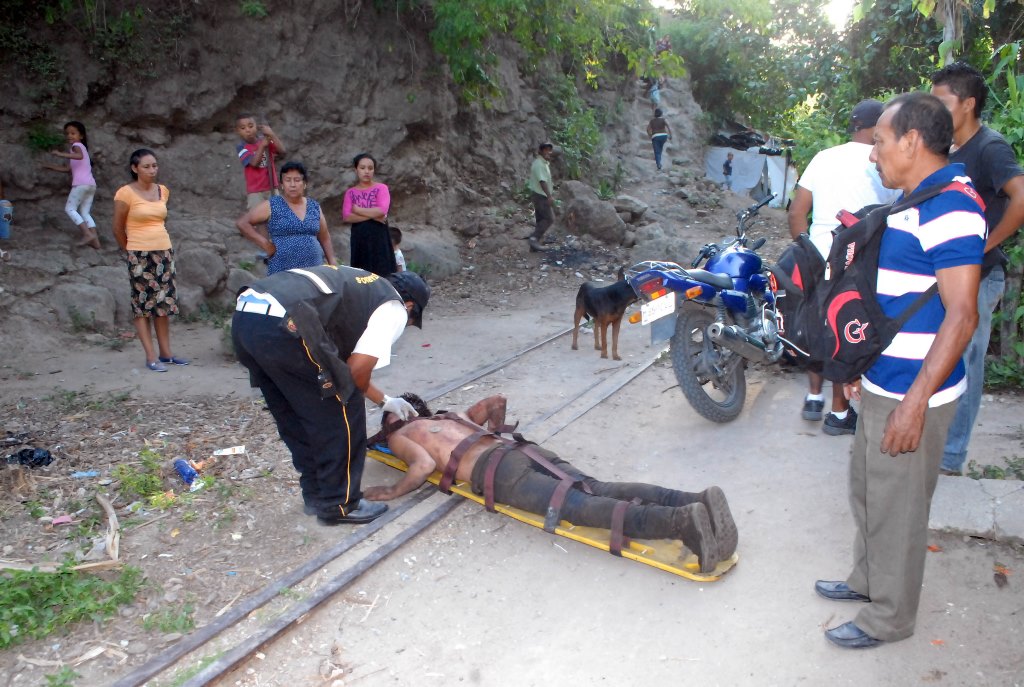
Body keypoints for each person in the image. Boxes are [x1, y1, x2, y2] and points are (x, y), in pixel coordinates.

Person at [816, 93, 985, 649]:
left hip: (918, 393)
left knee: (901, 507)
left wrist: (914, 402)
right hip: (884, 381)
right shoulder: (915, 201)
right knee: (869, 493)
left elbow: (962, 316)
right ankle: (868, 582)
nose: (873, 155)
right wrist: (858, 367)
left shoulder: (954, 207)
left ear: (912, 142)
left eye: (882, 142)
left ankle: (890, 617)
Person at [365, 394, 737, 574]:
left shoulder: (402, 433)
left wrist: (394, 491)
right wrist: (488, 433)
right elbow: (496, 401)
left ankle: (682, 524)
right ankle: (696, 500)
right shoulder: (452, 416)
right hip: (522, 450)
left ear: (389, 426)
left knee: (578, 508)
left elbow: (424, 464)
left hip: (499, 474)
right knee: (596, 487)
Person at [232, 265, 430, 525]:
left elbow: (349, 366)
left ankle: (316, 496)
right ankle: (340, 504)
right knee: (345, 410)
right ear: (409, 306)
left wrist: (385, 401)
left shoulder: (360, 285)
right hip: (288, 320)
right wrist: (374, 399)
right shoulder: (392, 308)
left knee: (295, 411)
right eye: (413, 320)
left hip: (247, 314)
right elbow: (356, 374)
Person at [930, 62, 1024, 476]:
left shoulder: (990, 147)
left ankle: (951, 458)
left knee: (966, 361)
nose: (934, 110)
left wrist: (986, 243)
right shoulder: (949, 148)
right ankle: (937, 445)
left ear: (968, 104)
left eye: (942, 103)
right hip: (951, 274)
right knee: (943, 356)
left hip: (981, 277)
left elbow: (1020, 197)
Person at [787, 99, 900, 435]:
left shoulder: (824, 158)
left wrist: (807, 251)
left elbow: (796, 214)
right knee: (848, 326)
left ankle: (812, 396)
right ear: (876, 126)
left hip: (819, 253)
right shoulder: (885, 160)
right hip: (859, 258)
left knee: (818, 322)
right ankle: (839, 411)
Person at [112, 149, 189, 373]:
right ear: (135, 168)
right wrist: (130, 250)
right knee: (143, 306)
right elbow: (117, 227)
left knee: (163, 305)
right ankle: (150, 356)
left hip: (164, 251)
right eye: (146, 166)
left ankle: (166, 354)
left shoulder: (162, 191)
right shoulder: (125, 194)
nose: (152, 170)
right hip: (139, 253)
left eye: (154, 165)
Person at [236, 161, 335, 275]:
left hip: (314, 270)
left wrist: (332, 262)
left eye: (297, 180)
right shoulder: (272, 205)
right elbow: (242, 223)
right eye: (288, 180)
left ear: (304, 184)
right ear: (282, 184)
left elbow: (325, 237)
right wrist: (266, 244)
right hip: (282, 271)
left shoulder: (314, 206)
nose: (292, 185)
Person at [41, 121, 100, 249]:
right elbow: (68, 169)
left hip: (81, 185)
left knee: (70, 209)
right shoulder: (81, 150)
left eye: (73, 133)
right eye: (67, 133)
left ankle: (87, 234)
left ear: (81, 136)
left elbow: (78, 155)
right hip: (90, 185)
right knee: (85, 212)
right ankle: (95, 241)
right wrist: (49, 166)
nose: (69, 136)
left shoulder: (76, 147)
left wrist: (60, 154)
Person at [342, 153, 396, 276]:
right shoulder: (350, 193)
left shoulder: (382, 188)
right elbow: (347, 216)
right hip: (359, 237)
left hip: (379, 236)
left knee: (383, 271)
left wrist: (358, 210)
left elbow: (382, 210)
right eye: (362, 168)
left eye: (370, 168)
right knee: (361, 273)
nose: (366, 171)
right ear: (356, 170)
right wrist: (374, 216)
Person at [236, 114, 286, 211]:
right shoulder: (241, 147)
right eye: (243, 128)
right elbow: (254, 164)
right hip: (255, 191)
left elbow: (282, 151)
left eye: (251, 126)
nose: (248, 130)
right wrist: (262, 146)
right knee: (259, 220)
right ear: (238, 131)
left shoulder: (265, 141)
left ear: (256, 127)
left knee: (276, 218)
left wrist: (272, 135)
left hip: (272, 187)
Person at [526, 142, 556, 252]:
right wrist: (549, 196)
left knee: (540, 220)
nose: (549, 152)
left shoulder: (543, 164)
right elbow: (542, 181)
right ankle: (533, 239)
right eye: (546, 150)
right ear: (541, 151)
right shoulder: (539, 164)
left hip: (538, 195)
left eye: (550, 150)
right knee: (549, 219)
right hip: (541, 196)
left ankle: (533, 247)